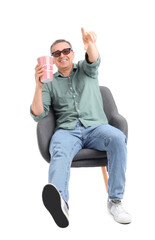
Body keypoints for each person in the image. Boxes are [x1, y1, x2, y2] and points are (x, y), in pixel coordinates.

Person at [30, 28, 132, 227]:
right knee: (59, 149)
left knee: (117, 138)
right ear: (52, 59)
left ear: (73, 53)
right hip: (67, 131)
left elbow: (94, 59)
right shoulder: (49, 83)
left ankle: (115, 202)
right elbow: (38, 114)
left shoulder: (86, 70)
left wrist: (90, 44)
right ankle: (60, 202)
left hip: (96, 128)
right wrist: (38, 86)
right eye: (57, 53)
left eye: (66, 51)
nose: (62, 55)